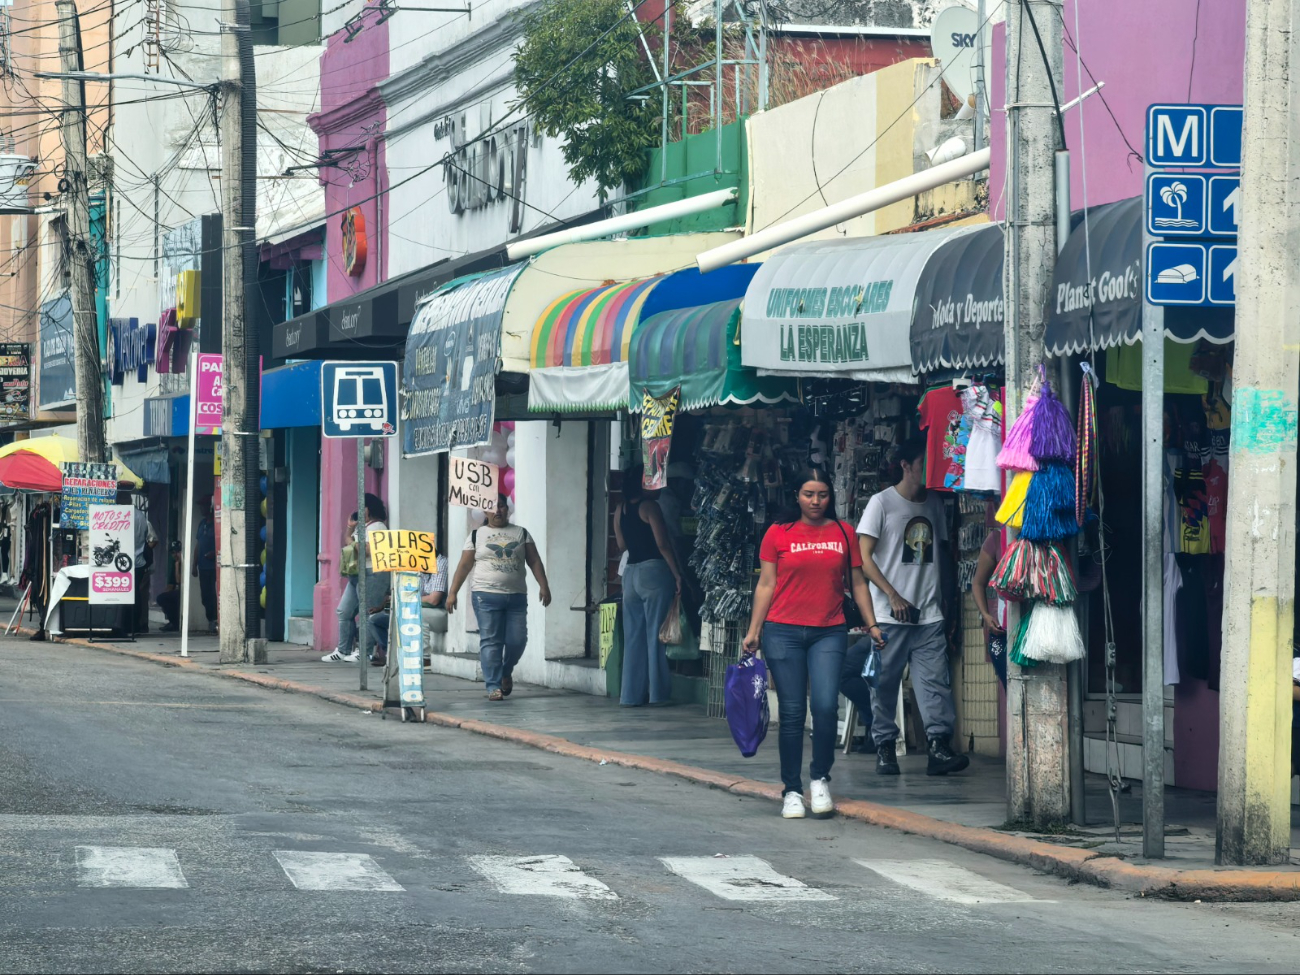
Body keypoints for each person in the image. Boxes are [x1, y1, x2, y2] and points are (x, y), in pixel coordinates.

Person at [743, 468, 884, 820]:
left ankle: (820, 779)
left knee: (824, 708)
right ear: (797, 495)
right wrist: (753, 630)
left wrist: (871, 623)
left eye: (822, 495)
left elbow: (858, 582)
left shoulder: (843, 532)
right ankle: (791, 789)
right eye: (808, 494)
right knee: (791, 713)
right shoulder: (777, 533)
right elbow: (766, 584)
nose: (816, 501)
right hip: (782, 631)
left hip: (829, 630)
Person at [858, 437, 969, 777]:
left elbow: (941, 556)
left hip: (928, 613)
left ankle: (938, 746)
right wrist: (891, 595)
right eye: (924, 464)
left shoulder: (935, 502)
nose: (929, 471)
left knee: (934, 683)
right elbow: (862, 558)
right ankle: (885, 746)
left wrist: (946, 604)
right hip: (889, 616)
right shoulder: (881, 503)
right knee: (885, 684)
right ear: (905, 466)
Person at [446, 494, 551, 701]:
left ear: (508, 509)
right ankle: (493, 686)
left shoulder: (521, 533)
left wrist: (544, 586)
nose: (498, 511)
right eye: (492, 508)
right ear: (485, 512)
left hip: (516, 597)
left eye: (501, 506)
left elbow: (535, 561)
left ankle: (506, 670)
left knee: (517, 640)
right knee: (491, 641)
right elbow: (464, 566)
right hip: (485, 596)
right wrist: (452, 593)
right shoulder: (477, 535)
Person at [614, 467, 683, 707]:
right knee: (656, 635)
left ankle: (630, 696)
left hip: (630, 574)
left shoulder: (620, 509)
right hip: (653, 571)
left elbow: (622, 545)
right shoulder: (650, 508)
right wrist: (676, 573)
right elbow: (662, 543)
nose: (657, 485)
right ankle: (658, 695)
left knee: (633, 637)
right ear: (642, 485)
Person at [322, 493, 390, 663]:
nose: (359, 510)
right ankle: (343, 649)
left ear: (369, 509)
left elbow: (367, 550)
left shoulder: (378, 527)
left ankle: (365, 652)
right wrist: (350, 529)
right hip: (357, 574)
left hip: (372, 573)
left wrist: (353, 542)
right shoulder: (363, 527)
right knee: (344, 611)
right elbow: (348, 542)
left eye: (363, 507)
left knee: (368, 613)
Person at [369, 553, 448, 667]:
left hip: (441, 614)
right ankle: (390, 655)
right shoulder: (420, 567)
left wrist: (403, 598)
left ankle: (424, 657)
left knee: (416, 613)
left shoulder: (440, 564)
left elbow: (433, 599)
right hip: (421, 608)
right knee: (375, 620)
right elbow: (410, 594)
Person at [970, 526, 1008, 687]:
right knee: (1010, 686)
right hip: (1002, 630)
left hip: (1034, 628)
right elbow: (978, 583)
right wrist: (985, 615)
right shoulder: (997, 539)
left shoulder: (1040, 533)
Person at [131, 494, 158, 634]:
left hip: (133, 563)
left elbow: (153, 540)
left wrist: (143, 550)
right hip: (139, 563)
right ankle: (138, 625)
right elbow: (153, 540)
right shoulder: (142, 517)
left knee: (135, 595)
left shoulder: (117, 516)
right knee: (138, 595)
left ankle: (136, 625)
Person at [192, 497, 218, 633]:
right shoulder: (202, 524)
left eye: (204, 506)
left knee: (214, 595)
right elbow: (198, 545)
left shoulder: (216, 523)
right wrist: (194, 564)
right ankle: (211, 620)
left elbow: (222, 542)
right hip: (202, 566)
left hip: (214, 567)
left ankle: (216, 621)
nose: (201, 509)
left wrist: (215, 552)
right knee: (205, 596)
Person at [156, 541, 185, 632]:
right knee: (162, 598)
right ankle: (173, 622)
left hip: (185, 592)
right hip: (176, 591)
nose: (175, 555)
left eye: (177, 552)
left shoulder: (182, 563)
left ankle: (175, 623)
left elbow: (179, 581)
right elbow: (171, 584)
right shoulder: (174, 563)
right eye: (173, 553)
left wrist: (177, 566)